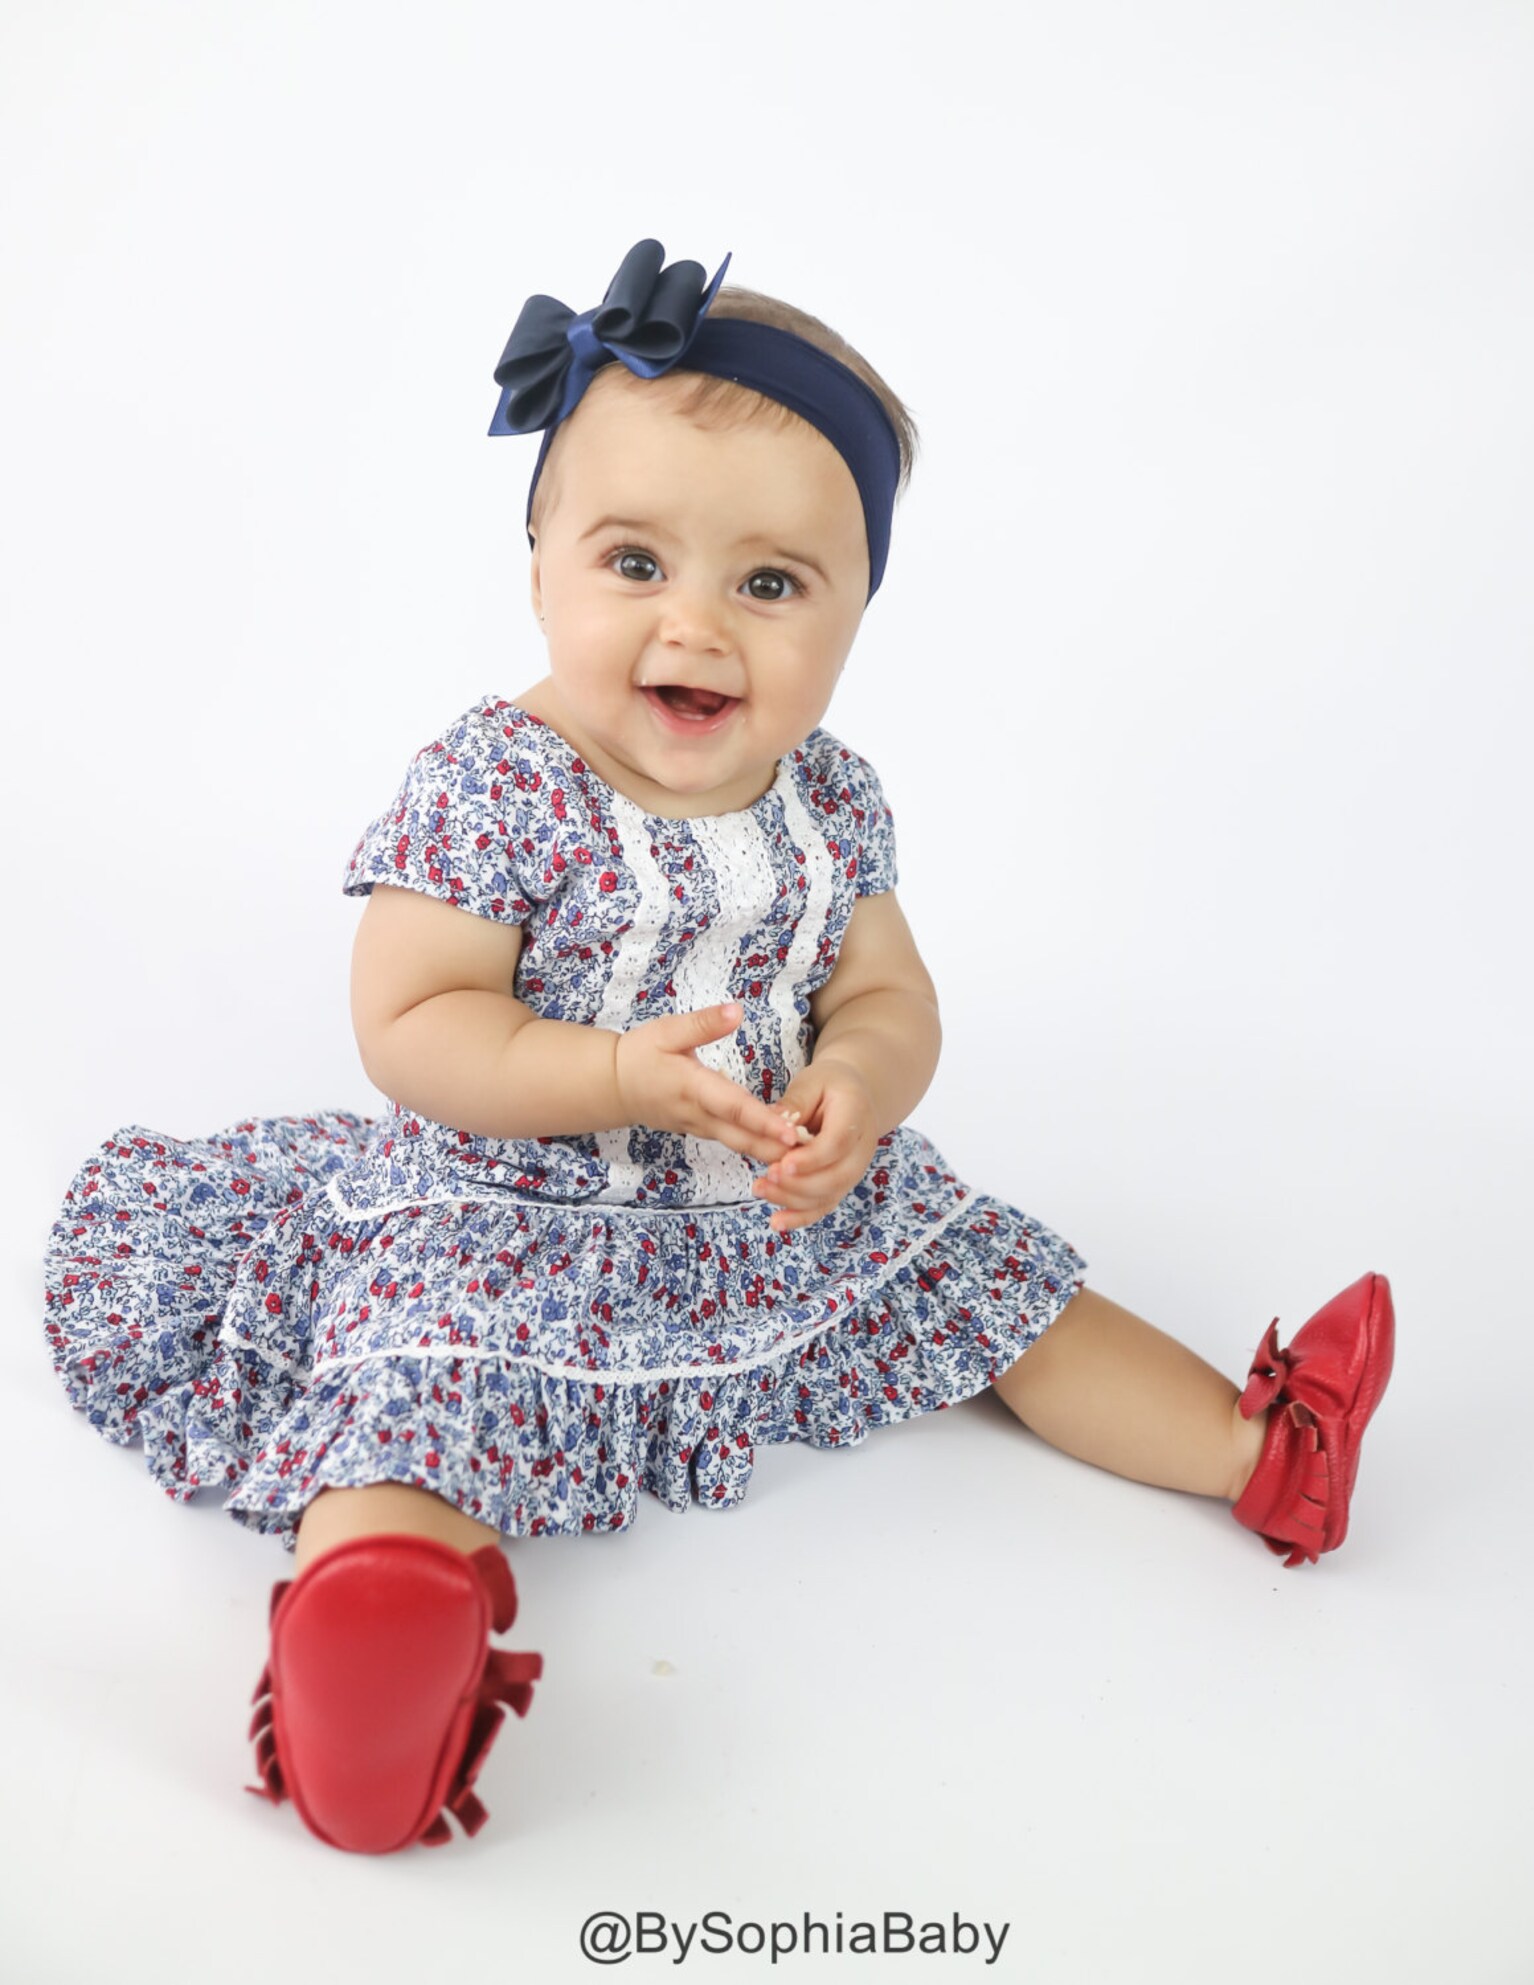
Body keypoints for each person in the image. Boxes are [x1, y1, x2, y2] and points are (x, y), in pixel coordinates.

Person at [41, 238, 1394, 1856]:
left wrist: (861, 1087)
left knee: (990, 1271)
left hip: (767, 1196)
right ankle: (377, 1630)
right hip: (502, 1207)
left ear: (852, 617)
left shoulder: (832, 801)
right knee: (419, 1374)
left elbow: (892, 992)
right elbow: (412, 1023)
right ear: (536, 559)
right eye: (634, 562)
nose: (699, 624)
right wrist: (608, 1074)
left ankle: (1267, 1452)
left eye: (771, 583)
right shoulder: (497, 781)